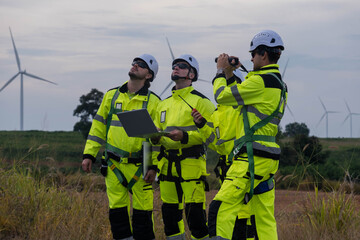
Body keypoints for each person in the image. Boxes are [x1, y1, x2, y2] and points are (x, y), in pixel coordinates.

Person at [208, 30, 288, 240]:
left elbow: (222, 97)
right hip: (267, 158)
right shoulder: (277, 83)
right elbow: (240, 98)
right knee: (262, 219)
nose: (250, 58)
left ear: (263, 54)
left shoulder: (260, 81)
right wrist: (230, 75)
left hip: (251, 158)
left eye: (253, 54)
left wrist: (219, 71)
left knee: (220, 208)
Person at [82, 54, 161, 240]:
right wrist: (89, 154)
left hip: (140, 168)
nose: (135, 65)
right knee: (117, 216)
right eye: (135, 62)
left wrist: (152, 166)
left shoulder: (154, 102)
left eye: (141, 65)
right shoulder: (111, 95)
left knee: (143, 218)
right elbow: (98, 127)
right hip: (113, 165)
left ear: (149, 76)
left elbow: (156, 139)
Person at [152, 54, 215, 240]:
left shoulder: (202, 102)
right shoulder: (163, 104)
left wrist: (185, 136)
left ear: (192, 75)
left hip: (192, 166)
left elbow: (213, 135)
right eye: (174, 65)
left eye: (181, 65)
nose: (176, 68)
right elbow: (157, 132)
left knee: (195, 219)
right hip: (166, 167)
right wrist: (155, 137)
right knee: (170, 219)